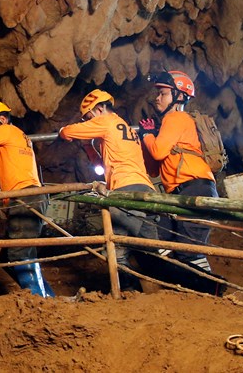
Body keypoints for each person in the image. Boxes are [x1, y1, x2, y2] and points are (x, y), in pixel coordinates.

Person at [58, 90, 158, 292]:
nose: (88, 122)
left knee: (118, 248)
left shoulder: (105, 121)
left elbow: (68, 132)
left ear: (99, 108)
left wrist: (61, 132)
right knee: (140, 244)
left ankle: (130, 292)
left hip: (125, 187)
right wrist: (89, 149)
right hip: (143, 185)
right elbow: (106, 165)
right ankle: (157, 284)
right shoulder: (125, 128)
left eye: (88, 117)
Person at [138, 71, 224, 295]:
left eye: (163, 93)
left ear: (178, 96)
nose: (157, 98)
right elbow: (154, 168)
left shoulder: (176, 118)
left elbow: (157, 152)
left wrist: (147, 135)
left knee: (189, 249)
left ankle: (213, 290)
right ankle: (194, 288)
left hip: (195, 188)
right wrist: (147, 137)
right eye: (158, 93)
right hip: (182, 192)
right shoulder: (170, 125)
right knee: (162, 238)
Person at [0, 101, 54, 297]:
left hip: (26, 197)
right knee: (12, 254)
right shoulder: (14, 136)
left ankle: (41, 301)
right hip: (27, 196)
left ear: (2, 118)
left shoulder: (6, 130)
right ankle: (49, 298)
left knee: (19, 254)